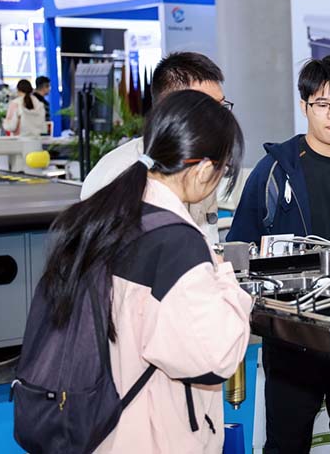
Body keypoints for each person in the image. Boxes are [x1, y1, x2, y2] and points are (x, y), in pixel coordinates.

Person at [39, 91, 252, 453]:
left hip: (98, 425)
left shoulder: (101, 218)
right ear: (203, 170)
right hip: (154, 433)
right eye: (223, 169)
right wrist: (228, 283)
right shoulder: (176, 243)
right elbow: (217, 358)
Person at [228, 54, 330, 454]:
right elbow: (240, 248)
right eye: (322, 104)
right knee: (287, 443)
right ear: (304, 107)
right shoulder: (275, 170)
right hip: (292, 337)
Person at [81, 51, 231, 243]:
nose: (219, 118)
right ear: (169, 109)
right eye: (208, 108)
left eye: (221, 106)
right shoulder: (116, 174)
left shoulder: (199, 163)